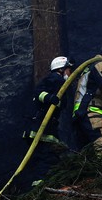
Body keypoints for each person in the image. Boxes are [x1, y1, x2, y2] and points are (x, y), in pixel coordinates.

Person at [22, 56, 73, 185]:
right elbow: (38, 92)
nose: (70, 73)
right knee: (46, 157)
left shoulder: (58, 82)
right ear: (61, 69)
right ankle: (40, 186)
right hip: (40, 127)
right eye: (68, 69)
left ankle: (45, 184)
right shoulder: (55, 79)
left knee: (48, 157)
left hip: (44, 128)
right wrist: (50, 98)